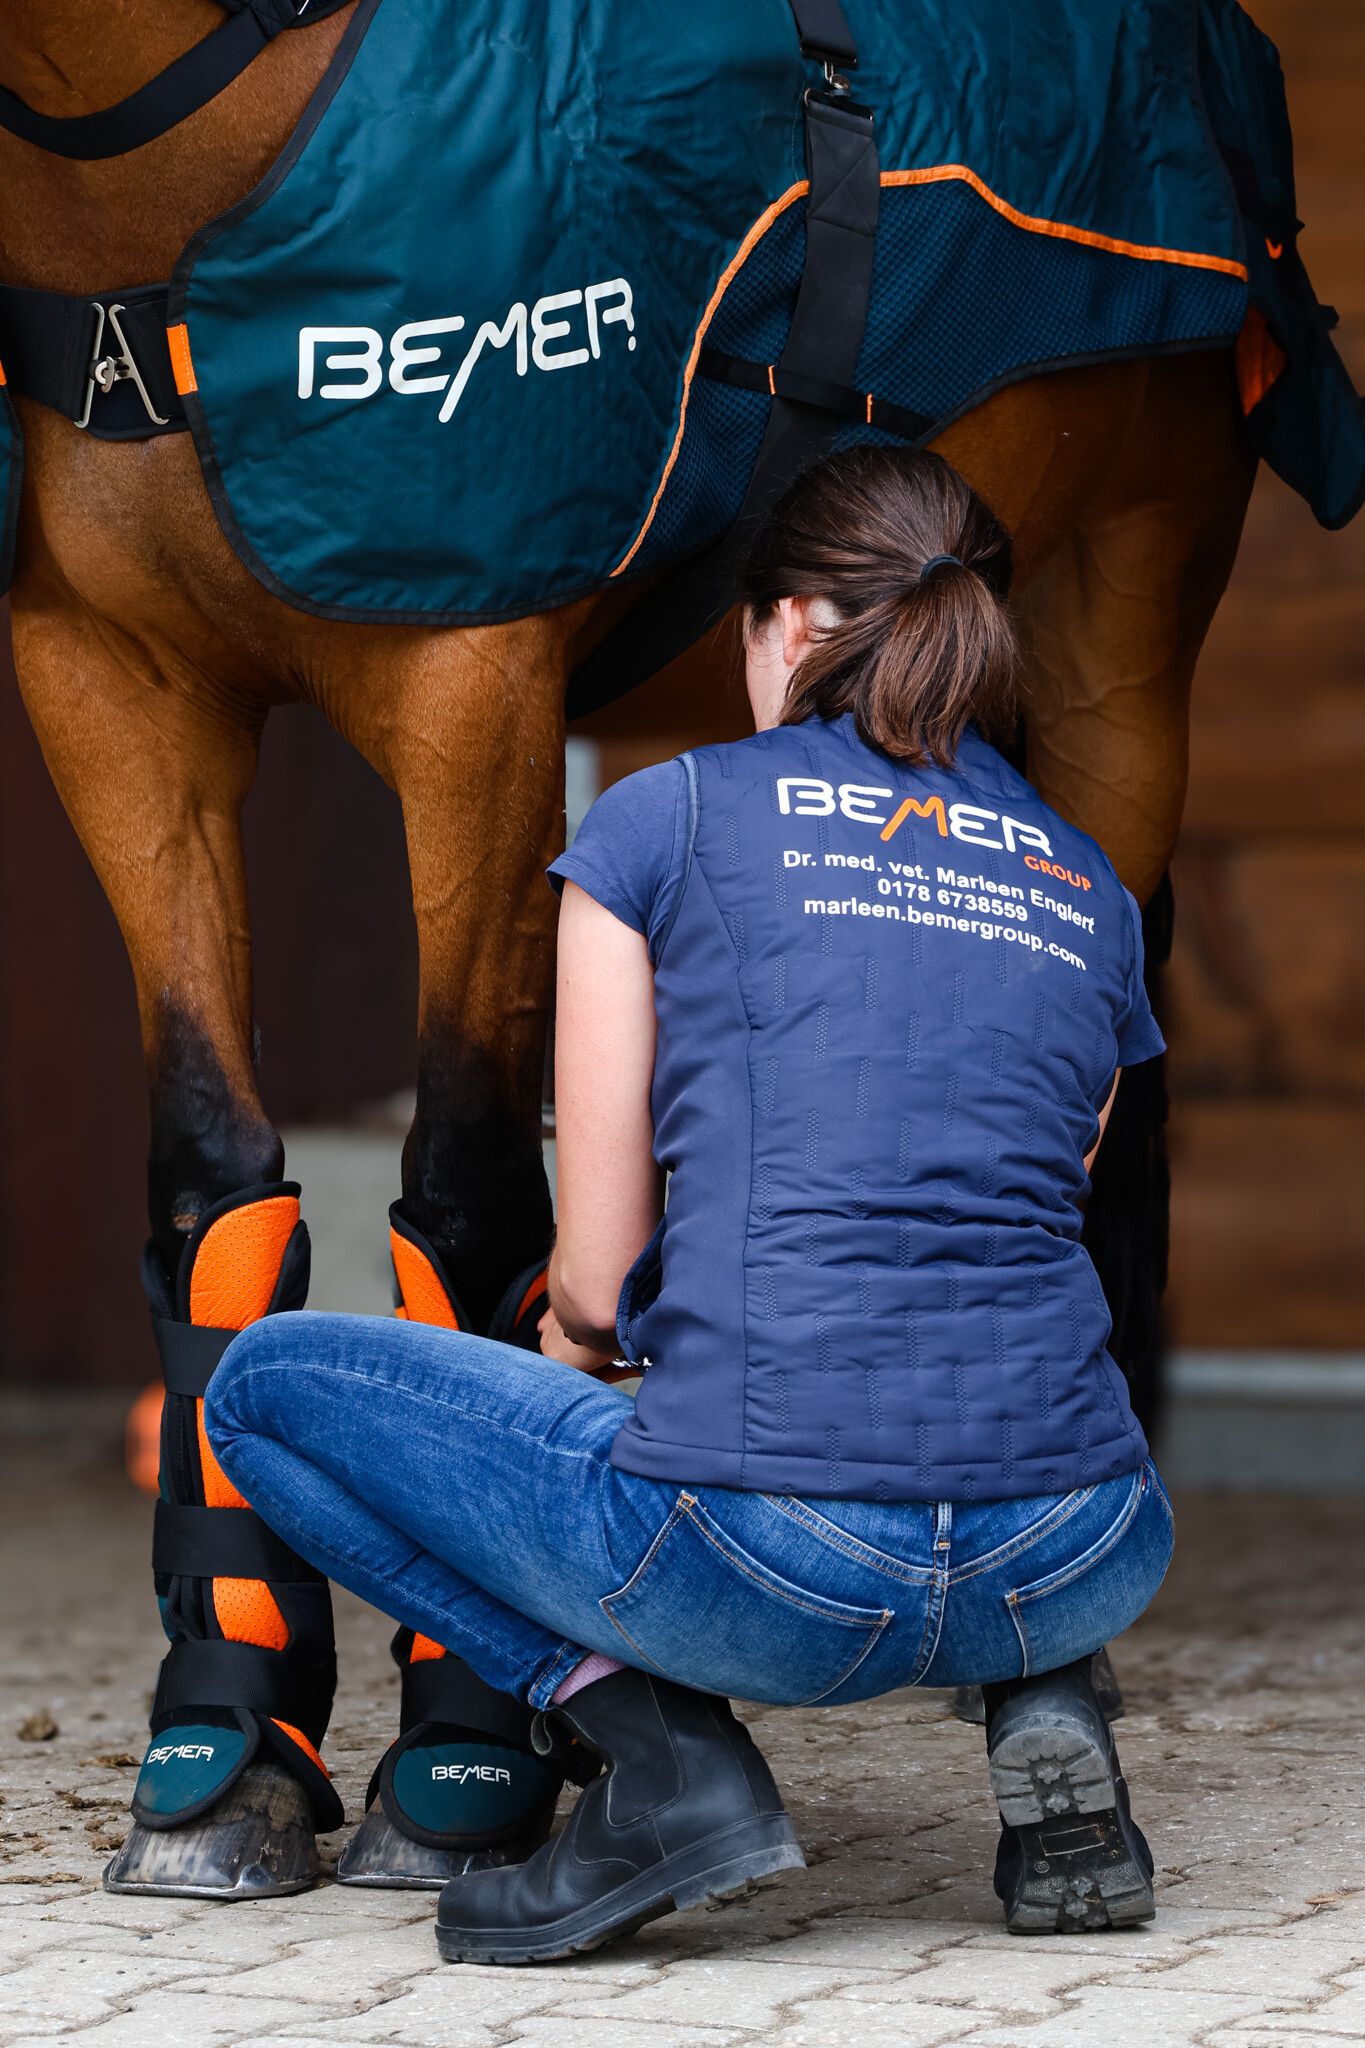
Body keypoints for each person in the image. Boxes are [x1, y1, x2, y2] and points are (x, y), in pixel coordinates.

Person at [205, 445, 1174, 1962]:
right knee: (979, 1372)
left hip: (780, 1572)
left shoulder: (665, 821)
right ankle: (1047, 1694)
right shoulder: (1088, 884)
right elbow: (1023, 1214)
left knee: (265, 1392)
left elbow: (596, 1288)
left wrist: (581, 1384)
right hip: (1084, 1540)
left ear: (782, 626)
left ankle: (660, 1759)